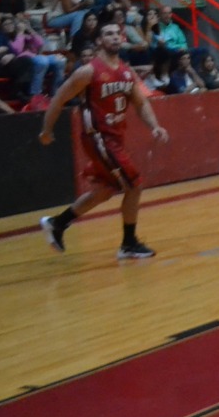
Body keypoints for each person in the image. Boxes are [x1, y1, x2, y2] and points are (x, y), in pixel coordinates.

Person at [38, 21, 170, 259]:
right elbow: (58, 99)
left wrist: (155, 126)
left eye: (117, 34)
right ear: (99, 41)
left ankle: (58, 223)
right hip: (98, 137)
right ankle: (128, 243)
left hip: (115, 138)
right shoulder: (88, 71)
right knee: (134, 184)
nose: (115, 37)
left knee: (106, 190)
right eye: (108, 34)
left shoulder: (127, 71)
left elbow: (140, 103)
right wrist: (47, 130)